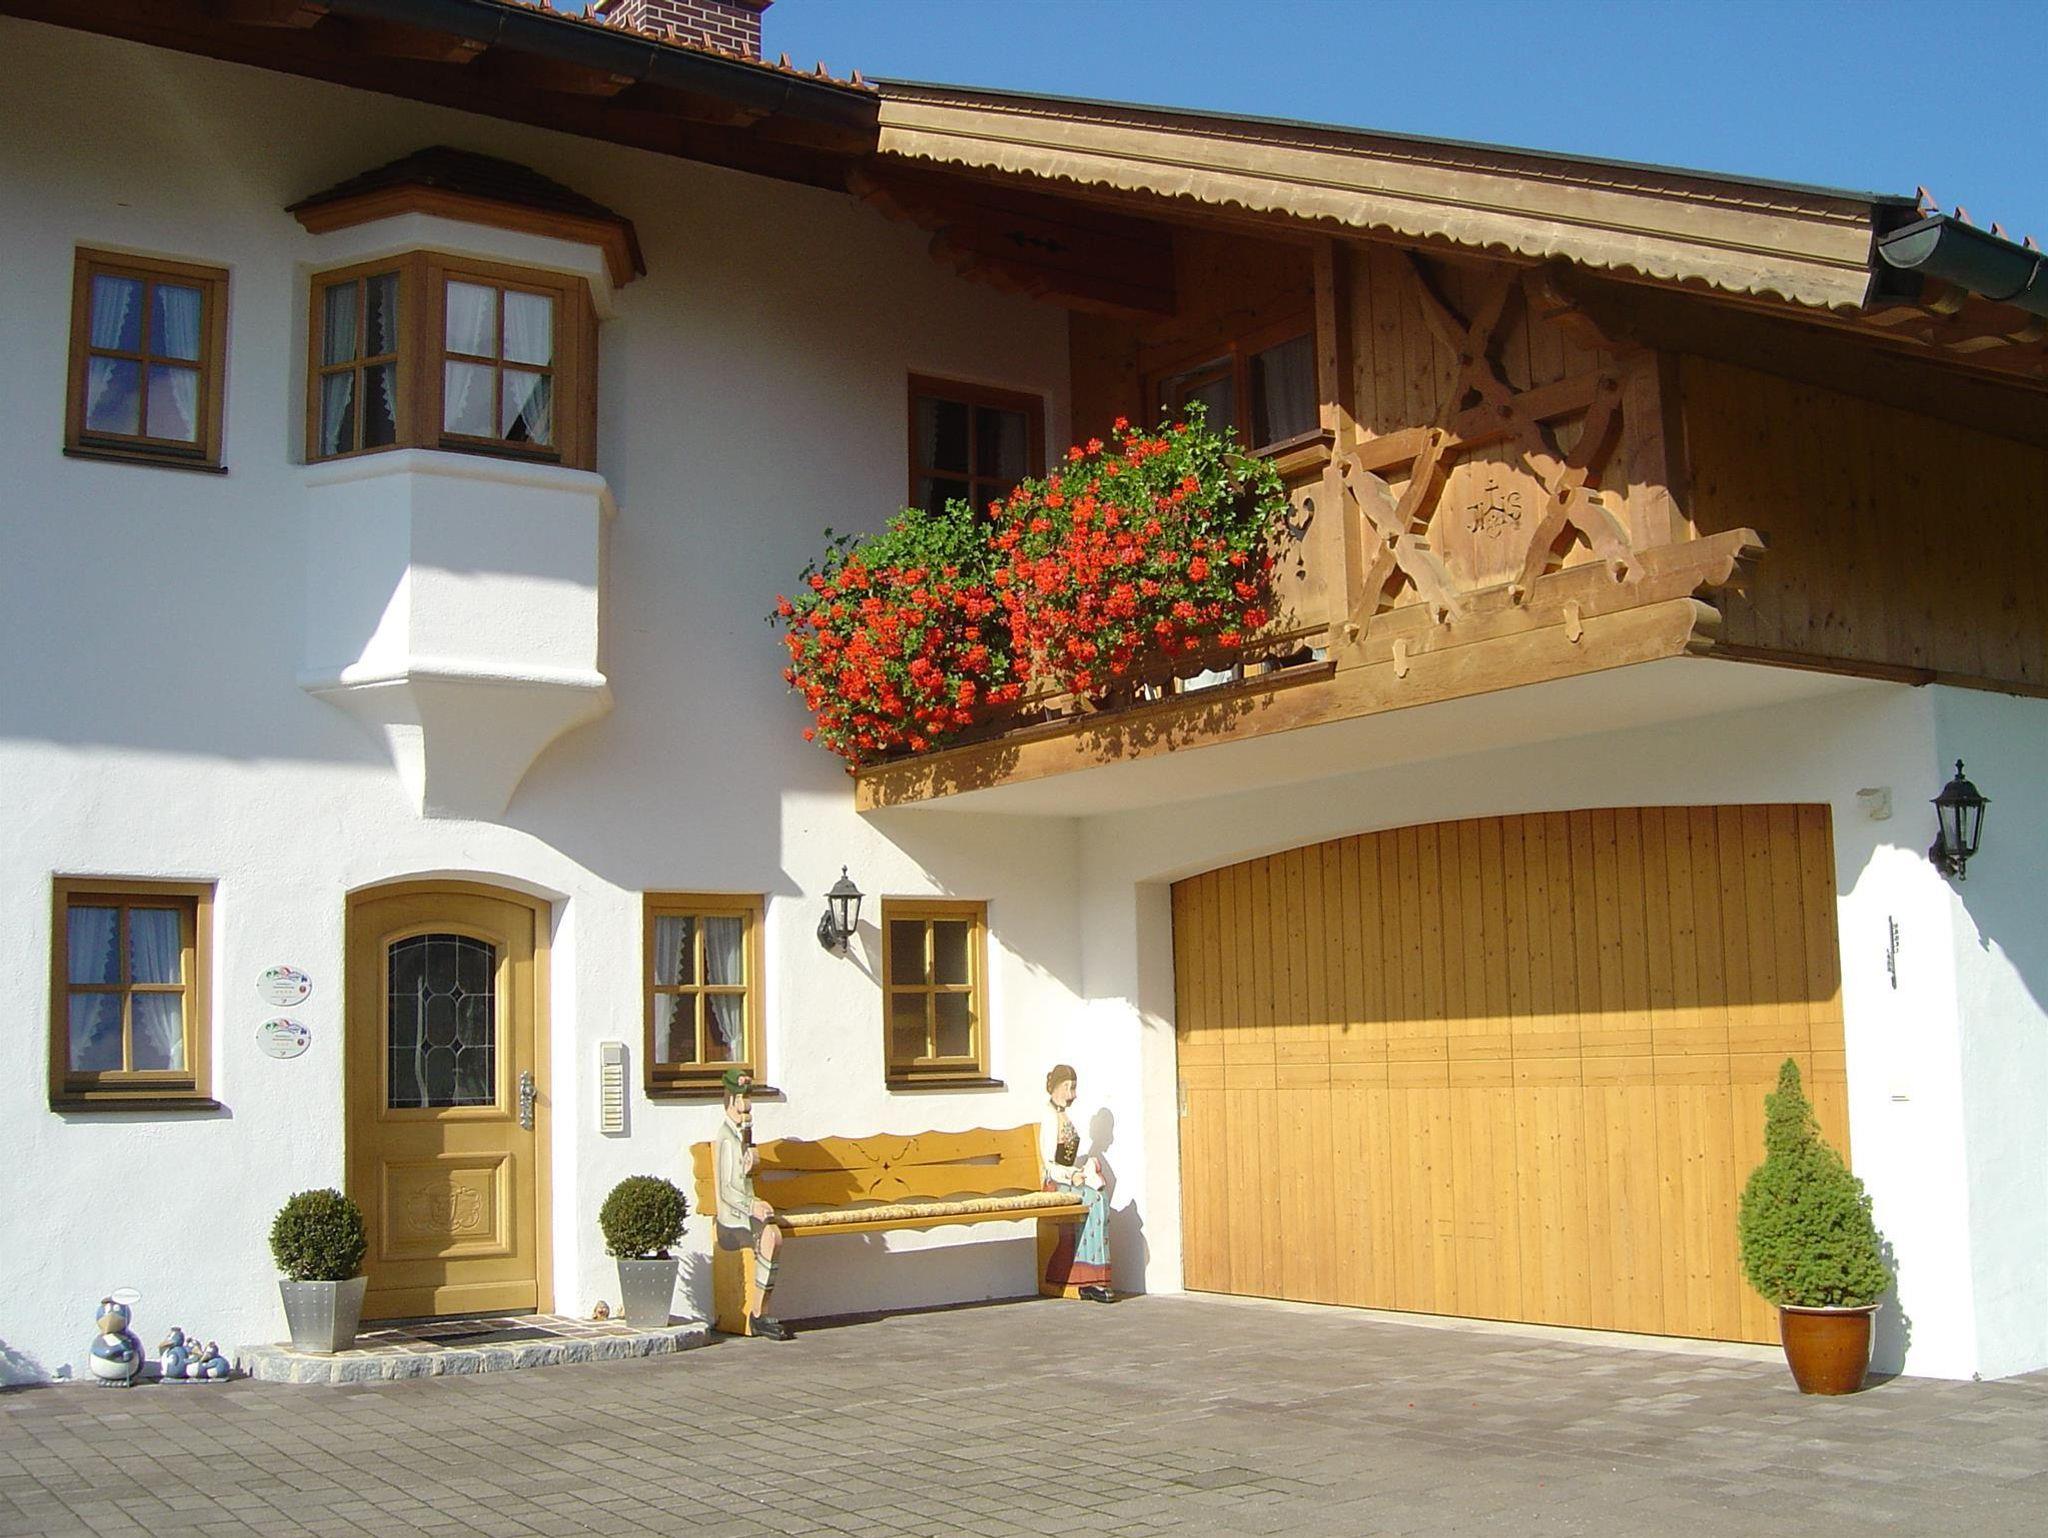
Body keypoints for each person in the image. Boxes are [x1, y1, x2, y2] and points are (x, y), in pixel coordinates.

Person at [713, 1067, 792, 1340]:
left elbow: (744, 1179)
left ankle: (759, 1312)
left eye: (748, 1100)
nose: (746, 1107)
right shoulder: (726, 1138)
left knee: (771, 1235)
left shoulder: (741, 1136)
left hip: (745, 1212)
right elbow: (727, 1190)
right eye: (741, 1100)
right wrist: (752, 1206)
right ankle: (758, 1314)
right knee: (770, 1237)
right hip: (731, 1219)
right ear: (730, 1100)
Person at [1041, 1064, 1115, 1303]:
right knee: (1094, 1199)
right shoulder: (1049, 1118)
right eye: (1069, 1087)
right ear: (1057, 1087)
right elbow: (1049, 1164)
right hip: (1055, 1183)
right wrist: (1071, 1176)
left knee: (1099, 1195)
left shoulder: (1063, 1116)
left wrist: (1080, 1172)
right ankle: (1086, 1276)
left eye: (1074, 1088)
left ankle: (1096, 1276)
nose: (1073, 1094)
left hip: (1068, 1178)